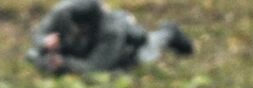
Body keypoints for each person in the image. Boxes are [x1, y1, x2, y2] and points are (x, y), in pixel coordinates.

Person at [27, 0, 193, 75]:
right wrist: (45, 42)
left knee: (142, 53)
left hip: (123, 48)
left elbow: (95, 67)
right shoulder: (64, 11)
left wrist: (65, 63)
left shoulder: (112, 31)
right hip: (80, 48)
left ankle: (168, 33)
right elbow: (39, 34)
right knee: (34, 56)